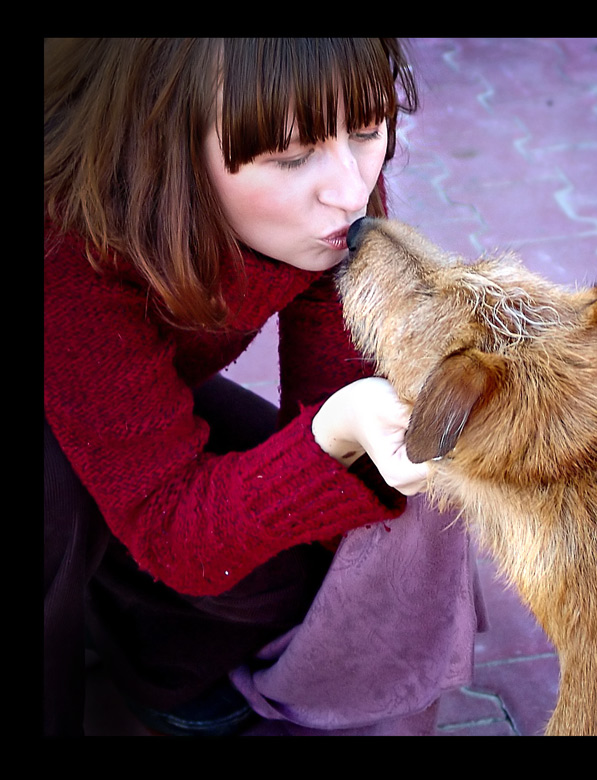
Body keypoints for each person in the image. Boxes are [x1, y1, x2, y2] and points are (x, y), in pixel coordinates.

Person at [44, 38, 484, 736]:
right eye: (290, 156)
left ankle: (147, 656)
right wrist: (330, 435)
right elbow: (170, 528)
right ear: (166, 144)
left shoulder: (334, 200)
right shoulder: (68, 238)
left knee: (287, 567)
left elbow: (326, 398)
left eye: (368, 130)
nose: (348, 189)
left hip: (128, 392)